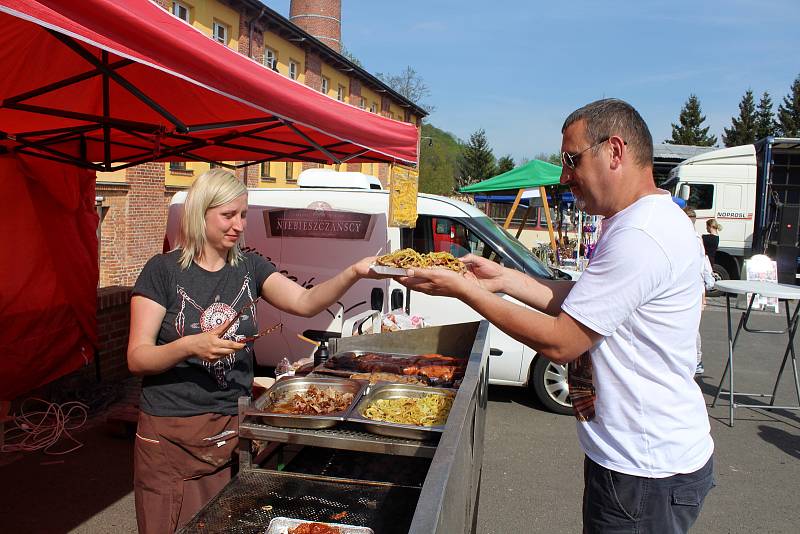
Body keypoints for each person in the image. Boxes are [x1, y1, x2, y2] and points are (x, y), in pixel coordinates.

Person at [399, 99, 714, 533]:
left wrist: (466, 290)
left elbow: (562, 342)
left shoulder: (641, 235)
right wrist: (503, 279)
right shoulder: (642, 220)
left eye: (572, 160)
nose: (566, 176)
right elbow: (590, 299)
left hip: (645, 470)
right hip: (644, 462)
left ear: (615, 151)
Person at [127, 169, 380, 533]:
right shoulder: (162, 271)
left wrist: (354, 272)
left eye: (243, 215)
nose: (238, 225)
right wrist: (189, 346)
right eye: (228, 215)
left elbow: (306, 302)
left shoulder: (250, 266)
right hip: (172, 434)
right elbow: (137, 357)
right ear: (200, 214)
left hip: (234, 428)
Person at [684, 207, 715, 375]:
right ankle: (695, 360)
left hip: (694, 288)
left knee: (692, 327)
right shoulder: (695, 238)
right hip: (694, 288)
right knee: (691, 326)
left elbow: (702, 265)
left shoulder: (694, 238)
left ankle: (697, 360)